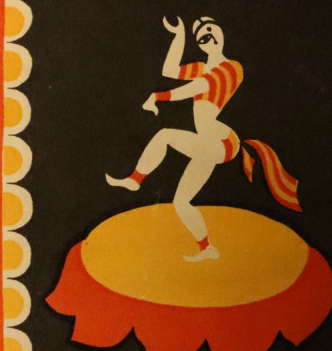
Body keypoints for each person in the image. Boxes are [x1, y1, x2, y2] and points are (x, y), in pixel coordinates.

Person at [107, 16, 301, 261]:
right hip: (207, 145)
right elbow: (169, 70)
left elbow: (199, 87)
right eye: (201, 37)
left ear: (221, 32)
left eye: (210, 30)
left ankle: (136, 179)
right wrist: (179, 36)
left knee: (165, 135)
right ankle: (207, 248)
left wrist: (158, 96)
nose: (207, 37)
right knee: (181, 202)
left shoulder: (232, 68)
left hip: (223, 142)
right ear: (199, 44)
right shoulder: (201, 67)